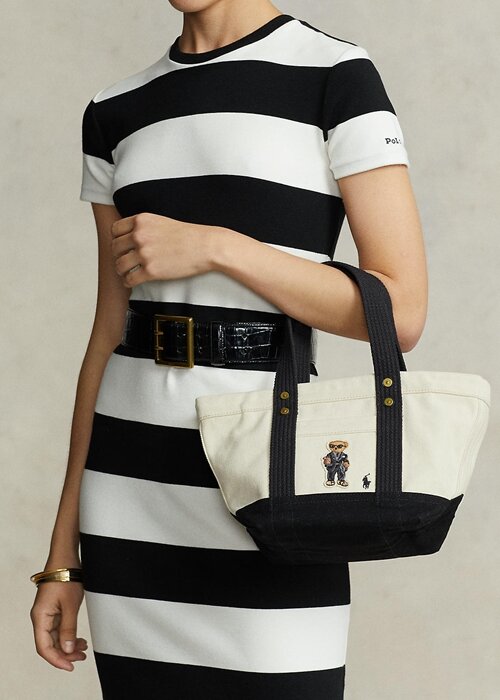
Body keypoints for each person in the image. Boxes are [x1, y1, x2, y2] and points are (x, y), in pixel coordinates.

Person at [29, 0, 428, 697]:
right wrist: (64, 553)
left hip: (268, 481)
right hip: (130, 493)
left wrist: (221, 248)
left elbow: (401, 312)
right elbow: (107, 334)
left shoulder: (335, 75)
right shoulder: (114, 110)